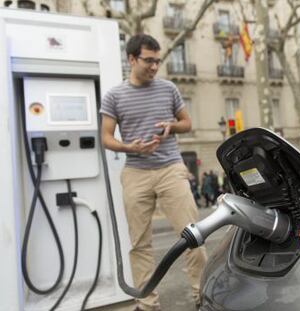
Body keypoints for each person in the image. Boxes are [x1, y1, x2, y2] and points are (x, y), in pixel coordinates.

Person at [100, 34, 207, 311]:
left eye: (157, 61)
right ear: (132, 59)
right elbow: (106, 138)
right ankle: (147, 305)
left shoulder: (168, 89)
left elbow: (187, 123)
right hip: (136, 173)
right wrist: (129, 146)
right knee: (139, 244)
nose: (154, 66)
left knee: (194, 236)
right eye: (148, 60)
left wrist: (172, 126)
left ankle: (202, 297)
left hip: (171, 168)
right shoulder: (114, 96)